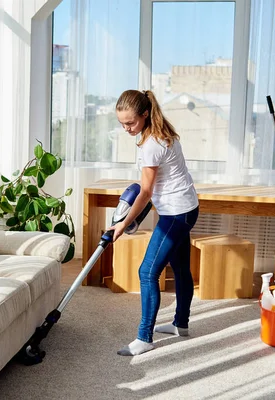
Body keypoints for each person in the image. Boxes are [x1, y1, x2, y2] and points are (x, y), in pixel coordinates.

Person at [108, 89, 200, 356]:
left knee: (147, 272)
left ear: (145, 114)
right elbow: (151, 189)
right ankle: (180, 324)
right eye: (122, 123)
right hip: (186, 208)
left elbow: (146, 191)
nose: (126, 128)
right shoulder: (162, 132)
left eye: (130, 122)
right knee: (181, 267)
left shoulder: (151, 144)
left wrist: (123, 224)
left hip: (175, 214)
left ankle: (144, 337)